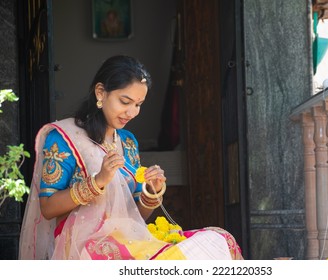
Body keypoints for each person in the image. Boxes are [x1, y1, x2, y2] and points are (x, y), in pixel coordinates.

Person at [19, 55, 243, 260]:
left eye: (138, 105)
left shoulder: (127, 142)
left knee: (219, 240)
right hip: (85, 248)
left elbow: (136, 216)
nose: (132, 112)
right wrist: (97, 182)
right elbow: (48, 208)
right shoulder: (64, 138)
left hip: (128, 242)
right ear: (100, 92)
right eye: (125, 102)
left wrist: (151, 191)